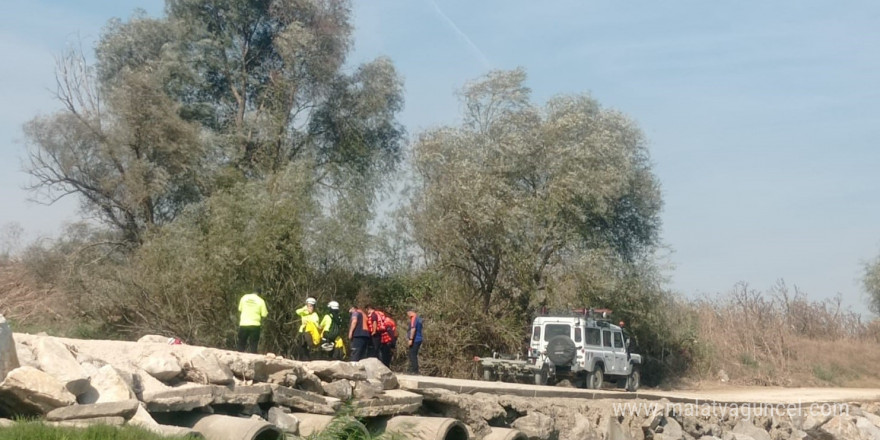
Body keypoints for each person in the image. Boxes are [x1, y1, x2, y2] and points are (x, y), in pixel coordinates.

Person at [237, 289, 268, 353]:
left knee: (241, 342)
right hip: (255, 324)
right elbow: (264, 314)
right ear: (259, 294)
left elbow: (240, 309)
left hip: (244, 323)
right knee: (253, 344)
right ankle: (253, 358)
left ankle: (239, 356)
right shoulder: (261, 301)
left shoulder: (244, 297)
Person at [406, 307, 423, 374]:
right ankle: (414, 370)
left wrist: (411, 339)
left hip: (415, 339)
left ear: (409, 312)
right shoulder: (419, 318)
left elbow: (413, 329)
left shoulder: (414, 318)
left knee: (412, 354)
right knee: (413, 354)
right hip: (419, 339)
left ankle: (415, 371)